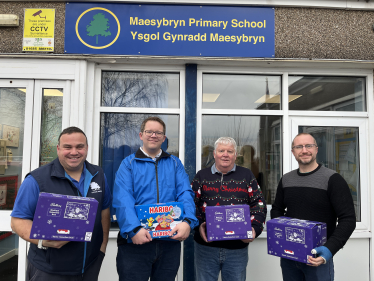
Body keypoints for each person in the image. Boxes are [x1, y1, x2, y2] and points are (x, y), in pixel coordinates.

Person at [11, 126, 112, 281]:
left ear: (86, 148)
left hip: (89, 265)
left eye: (79, 147)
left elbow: (104, 210)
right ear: (58, 149)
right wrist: (43, 241)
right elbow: (18, 220)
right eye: (67, 147)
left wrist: (102, 247)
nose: (74, 152)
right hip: (49, 270)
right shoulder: (37, 179)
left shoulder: (98, 175)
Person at [113, 116, 198, 281]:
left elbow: (185, 193)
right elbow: (123, 199)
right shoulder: (128, 164)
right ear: (141, 135)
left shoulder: (174, 163)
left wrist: (188, 221)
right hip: (136, 242)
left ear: (164, 138)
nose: (154, 135)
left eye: (158, 133)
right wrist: (134, 230)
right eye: (149, 132)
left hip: (169, 242)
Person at [271, 133, 356, 281]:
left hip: (318, 258)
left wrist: (329, 250)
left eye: (308, 146)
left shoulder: (333, 179)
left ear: (316, 149)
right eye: (299, 147)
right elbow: (276, 209)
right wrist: (282, 234)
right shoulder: (286, 179)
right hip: (289, 257)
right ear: (293, 152)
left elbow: (348, 219)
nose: (304, 150)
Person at [192, 137, 267, 281]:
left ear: (235, 154)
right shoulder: (201, 176)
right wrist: (199, 225)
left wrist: (254, 230)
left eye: (229, 151)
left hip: (237, 248)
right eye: (221, 150)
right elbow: (191, 205)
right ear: (214, 154)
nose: (225, 154)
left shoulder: (247, 176)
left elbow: (259, 204)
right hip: (206, 248)